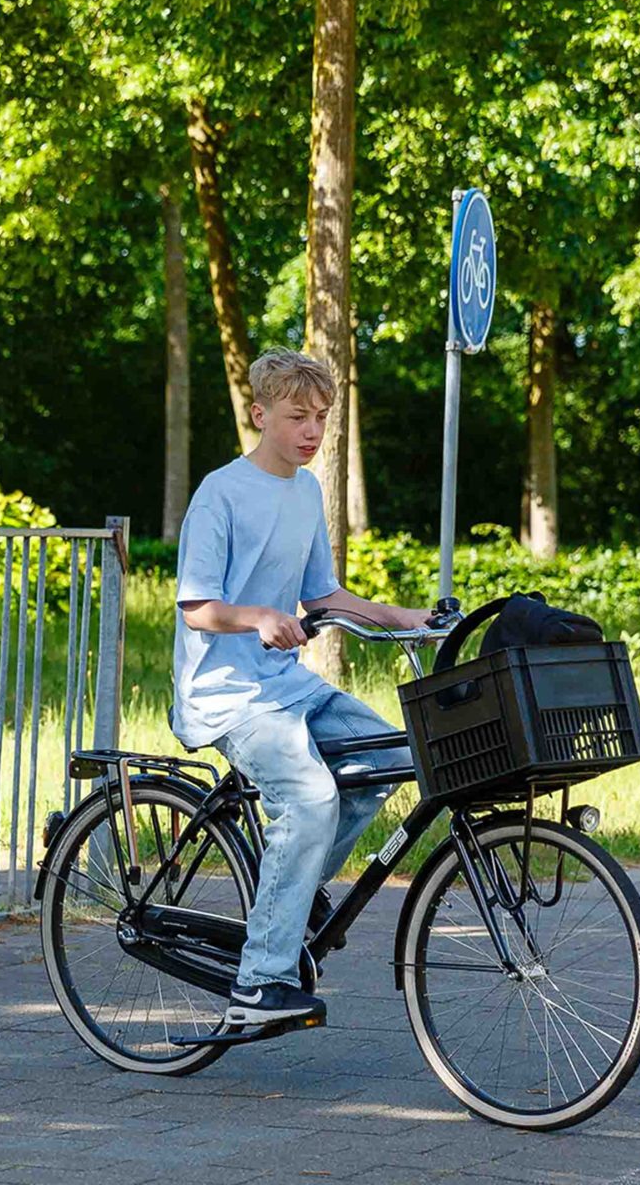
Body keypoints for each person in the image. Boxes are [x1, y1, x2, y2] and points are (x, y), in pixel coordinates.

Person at [172, 348, 432, 1025]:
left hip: (286, 684)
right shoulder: (221, 492)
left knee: (382, 755)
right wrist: (257, 616)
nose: (312, 430)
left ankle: (293, 891)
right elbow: (196, 606)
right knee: (312, 798)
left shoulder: (307, 491)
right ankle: (257, 986)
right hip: (227, 694)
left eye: (321, 417)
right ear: (260, 415)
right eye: (297, 417)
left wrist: (402, 616)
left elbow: (323, 593)